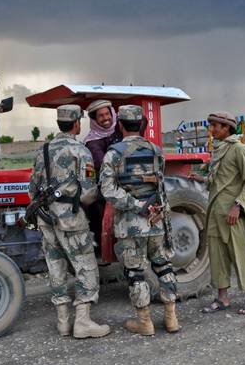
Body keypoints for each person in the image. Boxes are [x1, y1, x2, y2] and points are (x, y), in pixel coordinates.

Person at [29, 104, 111, 339]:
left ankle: (63, 322)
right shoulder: (80, 151)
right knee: (85, 265)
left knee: (56, 267)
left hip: (45, 218)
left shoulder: (42, 150)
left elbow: (31, 189)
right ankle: (83, 322)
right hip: (71, 219)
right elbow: (88, 194)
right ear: (77, 123)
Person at [99, 105, 180, 336]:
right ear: (142, 125)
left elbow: (108, 190)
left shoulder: (114, 153)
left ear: (120, 125)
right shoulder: (156, 150)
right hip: (156, 220)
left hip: (130, 224)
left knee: (135, 272)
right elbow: (160, 183)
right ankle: (171, 317)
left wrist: (136, 206)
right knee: (164, 266)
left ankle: (145, 322)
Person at [189, 112, 245, 315]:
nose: (211, 130)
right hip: (214, 212)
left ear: (226, 128)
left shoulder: (239, 149)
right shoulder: (219, 150)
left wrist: (238, 206)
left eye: (215, 126)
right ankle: (222, 298)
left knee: (239, 254)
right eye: (211, 126)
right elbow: (219, 180)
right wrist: (200, 179)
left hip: (231, 214)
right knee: (217, 256)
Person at [83, 99, 121, 249]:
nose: (106, 118)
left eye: (108, 114)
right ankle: (104, 245)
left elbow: (142, 121)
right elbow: (102, 164)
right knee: (96, 203)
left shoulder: (120, 128)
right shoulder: (92, 142)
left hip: (123, 180)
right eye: (101, 116)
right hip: (104, 183)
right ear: (94, 120)